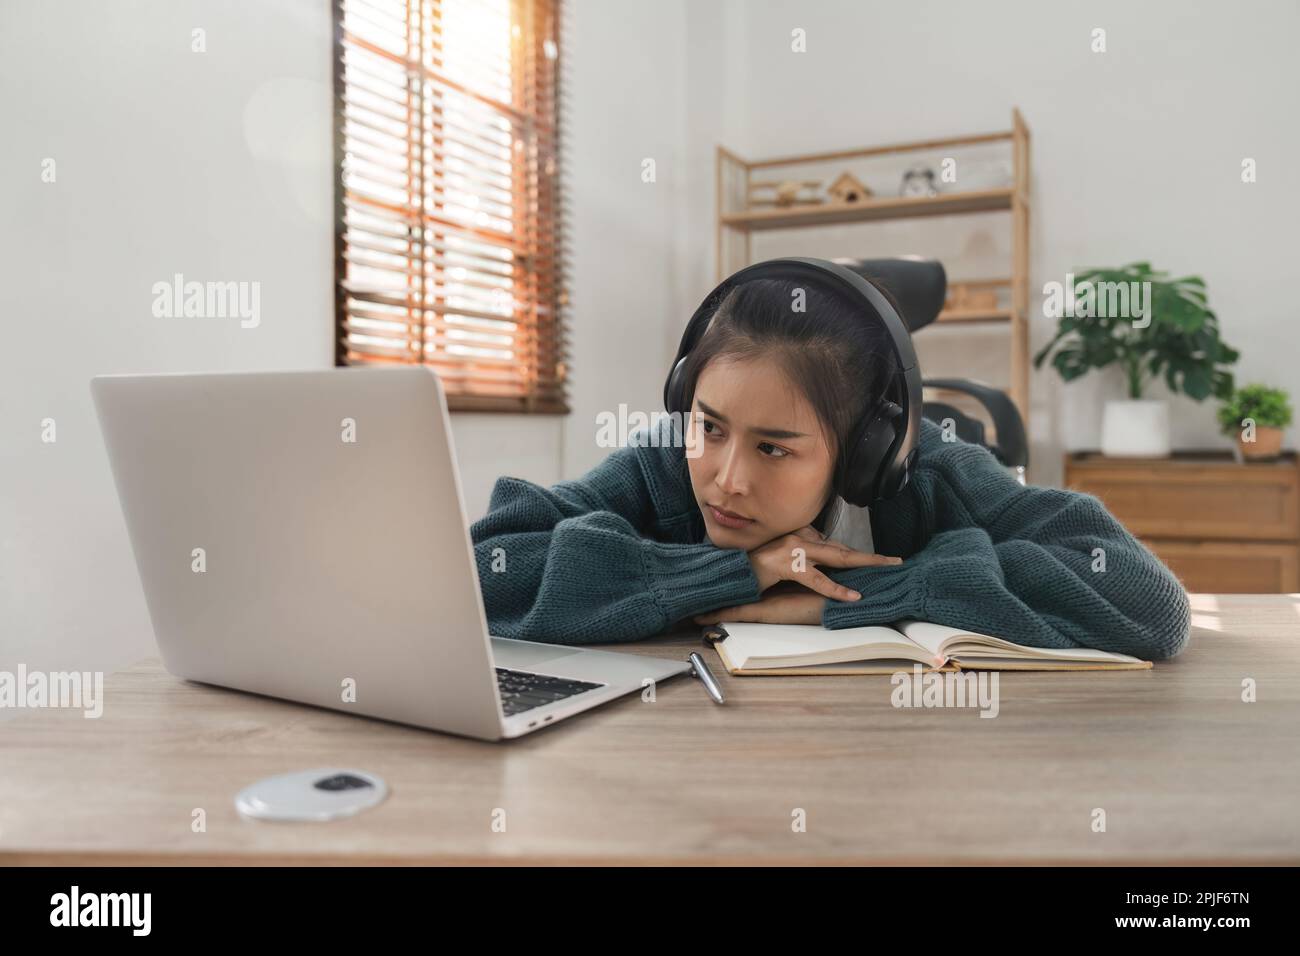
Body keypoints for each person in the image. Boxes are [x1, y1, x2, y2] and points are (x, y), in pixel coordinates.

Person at [469, 275, 1191, 660]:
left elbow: (1148, 604)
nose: (726, 477)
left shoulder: (929, 471)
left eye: (774, 447)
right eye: (711, 427)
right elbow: (482, 569)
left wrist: (860, 595)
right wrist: (738, 574)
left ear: (864, 450)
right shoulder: (665, 457)